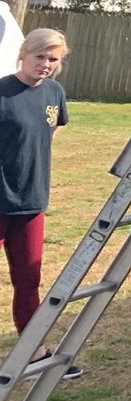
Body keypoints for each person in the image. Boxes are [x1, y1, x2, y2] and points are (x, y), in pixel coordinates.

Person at [0, 28, 77, 378]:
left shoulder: (54, 93)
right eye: (40, 56)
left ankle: (35, 353)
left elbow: (52, 129)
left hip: (31, 204)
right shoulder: (2, 91)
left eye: (53, 59)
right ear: (23, 54)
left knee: (28, 281)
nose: (45, 64)